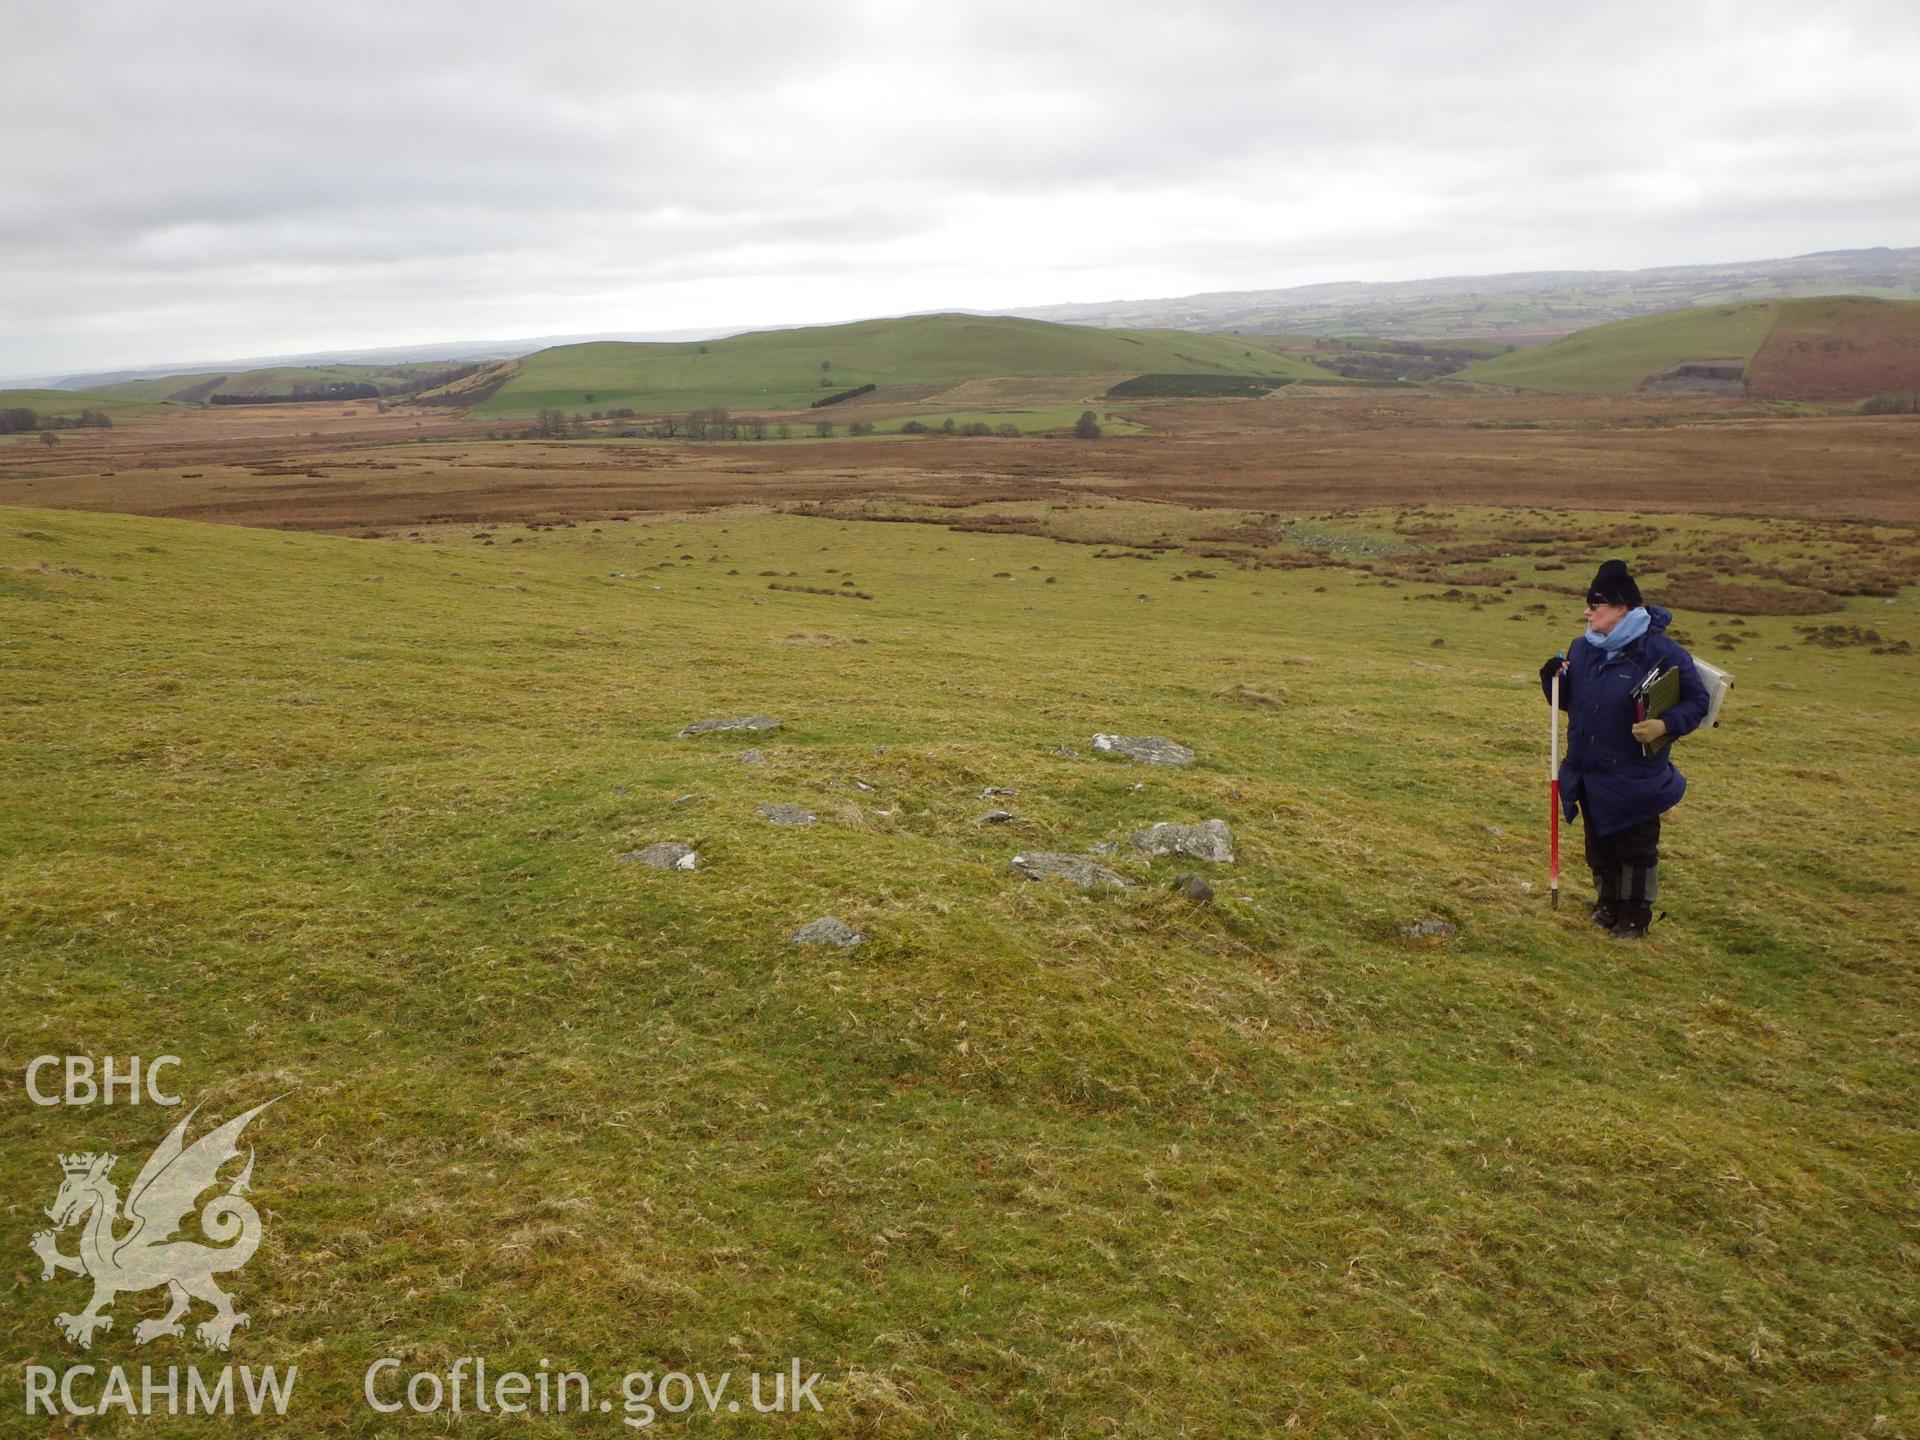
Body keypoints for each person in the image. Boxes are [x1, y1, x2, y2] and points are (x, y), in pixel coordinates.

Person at [1540, 559, 1709, 939]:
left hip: (1634, 777)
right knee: (1598, 844)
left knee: (1635, 848)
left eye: (1595, 606)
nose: (1587, 612)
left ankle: (1635, 915)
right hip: (1588, 769)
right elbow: (1569, 701)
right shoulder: (1582, 649)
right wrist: (1552, 677)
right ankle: (1608, 903)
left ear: (1621, 609)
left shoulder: (1662, 652)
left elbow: (1698, 703)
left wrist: (1664, 725)